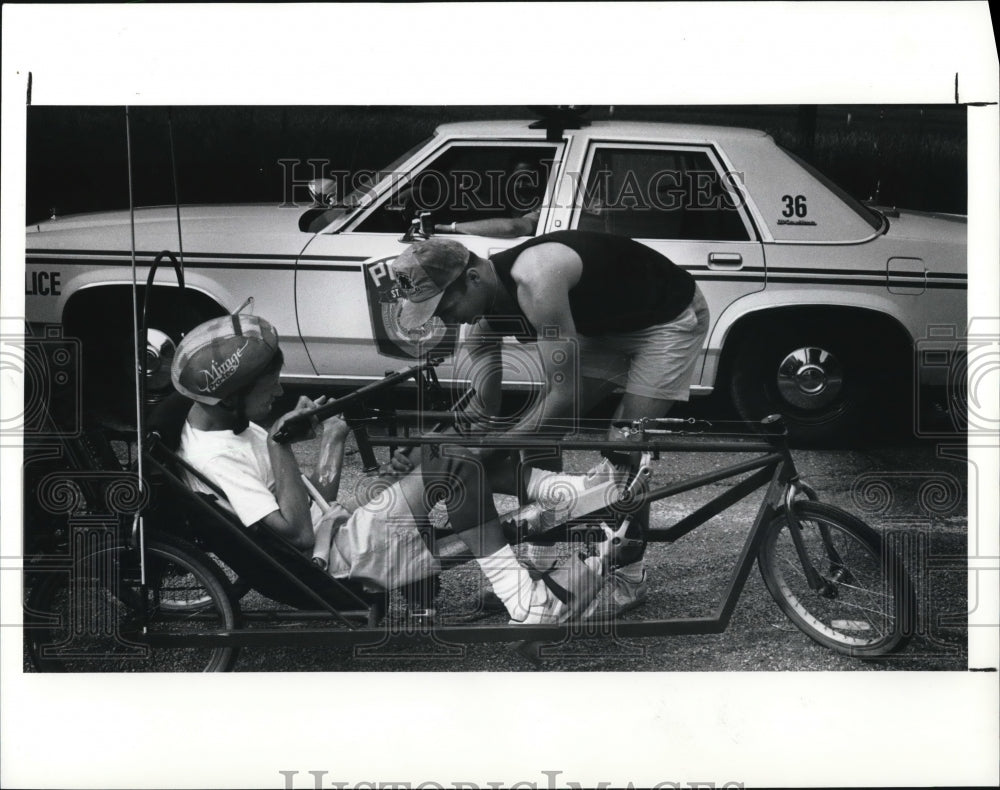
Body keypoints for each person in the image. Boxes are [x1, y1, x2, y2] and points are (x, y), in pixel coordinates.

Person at [169, 312, 610, 624]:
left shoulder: (227, 428)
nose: (281, 391)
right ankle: (522, 601)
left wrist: (333, 440)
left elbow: (314, 502)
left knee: (453, 443)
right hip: (341, 559)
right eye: (270, 387)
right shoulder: (218, 458)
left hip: (343, 533)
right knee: (452, 466)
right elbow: (300, 536)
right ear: (228, 397)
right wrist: (278, 442)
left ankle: (565, 489)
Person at [392, 230, 711, 617]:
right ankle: (539, 565)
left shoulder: (537, 281)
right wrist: (433, 443)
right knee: (538, 435)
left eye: (444, 306)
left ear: (473, 278)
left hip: (668, 318)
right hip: (609, 326)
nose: (446, 319)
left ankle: (630, 577)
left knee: (625, 443)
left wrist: (487, 449)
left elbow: (563, 398)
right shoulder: (480, 325)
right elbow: (483, 411)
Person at [433, 160, 543, 239]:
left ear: (542, 180)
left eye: (527, 180)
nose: (520, 186)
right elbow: (483, 206)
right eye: (516, 180)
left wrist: (450, 228)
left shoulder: (544, 210)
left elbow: (512, 228)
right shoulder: (513, 203)